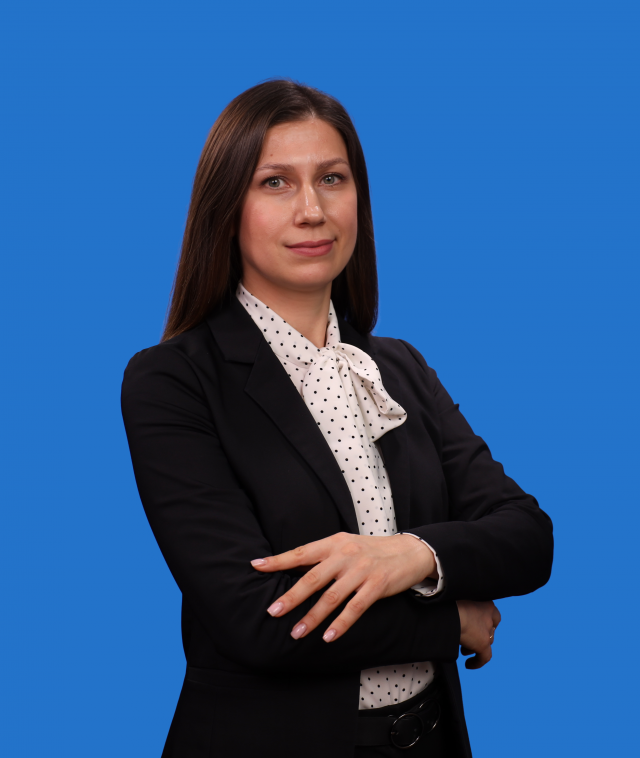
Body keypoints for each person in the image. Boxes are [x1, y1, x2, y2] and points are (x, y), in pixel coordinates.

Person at [121, 79, 553, 758]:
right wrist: (451, 623)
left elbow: (527, 536)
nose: (312, 210)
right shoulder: (172, 381)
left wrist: (409, 555)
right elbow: (258, 622)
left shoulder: (398, 366)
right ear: (226, 208)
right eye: (275, 183)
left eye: (332, 178)